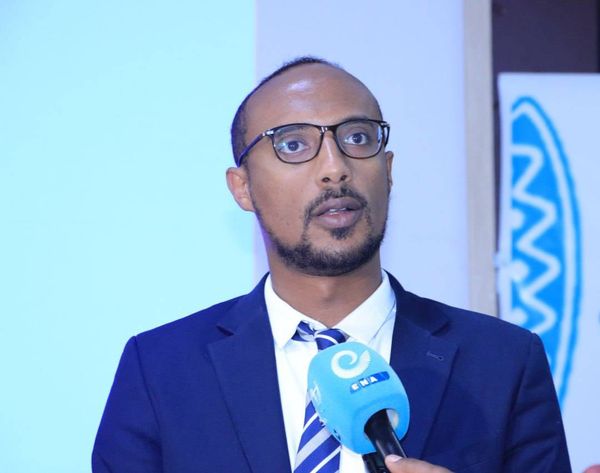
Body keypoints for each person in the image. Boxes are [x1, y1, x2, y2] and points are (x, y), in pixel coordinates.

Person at [92, 57, 571, 473]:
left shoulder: (504, 362)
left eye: (357, 137)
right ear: (242, 187)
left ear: (388, 170)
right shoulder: (161, 369)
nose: (335, 167)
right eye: (293, 145)